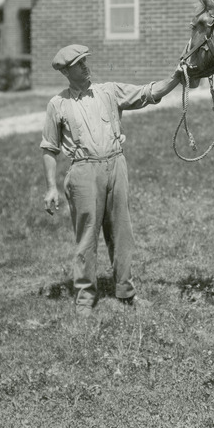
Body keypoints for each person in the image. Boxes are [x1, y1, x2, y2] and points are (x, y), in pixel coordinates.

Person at [40, 44, 181, 315]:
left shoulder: (109, 91)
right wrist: (51, 187)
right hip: (83, 171)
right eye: (80, 64)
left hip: (116, 165)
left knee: (121, 233)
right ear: (68, 71)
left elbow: (148, 93)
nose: (86, 67)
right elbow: (49, 148)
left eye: (85, 62)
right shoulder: (58, 104)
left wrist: (176, 78)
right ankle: (84, 297)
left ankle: (126, 293)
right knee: (87, 236)